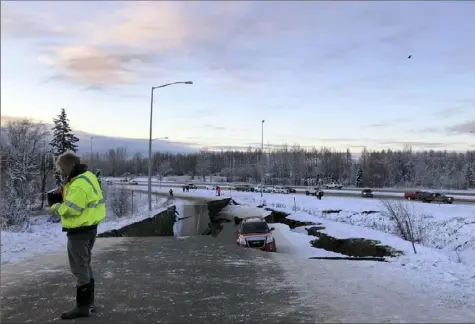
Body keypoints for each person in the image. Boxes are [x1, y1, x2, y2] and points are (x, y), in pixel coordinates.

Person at [50, 151, 106, 319]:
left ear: (69, 166)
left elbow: (71, 209)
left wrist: (55, 206)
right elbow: (83, 199)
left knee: (79, 268)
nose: (61, 172)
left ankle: (82, 307)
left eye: (61, 169)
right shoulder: (87, 177)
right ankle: (89, 303)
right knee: (85, 265)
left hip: (79, 232)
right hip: (90, 228)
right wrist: (65, 191)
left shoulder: (79, 184)